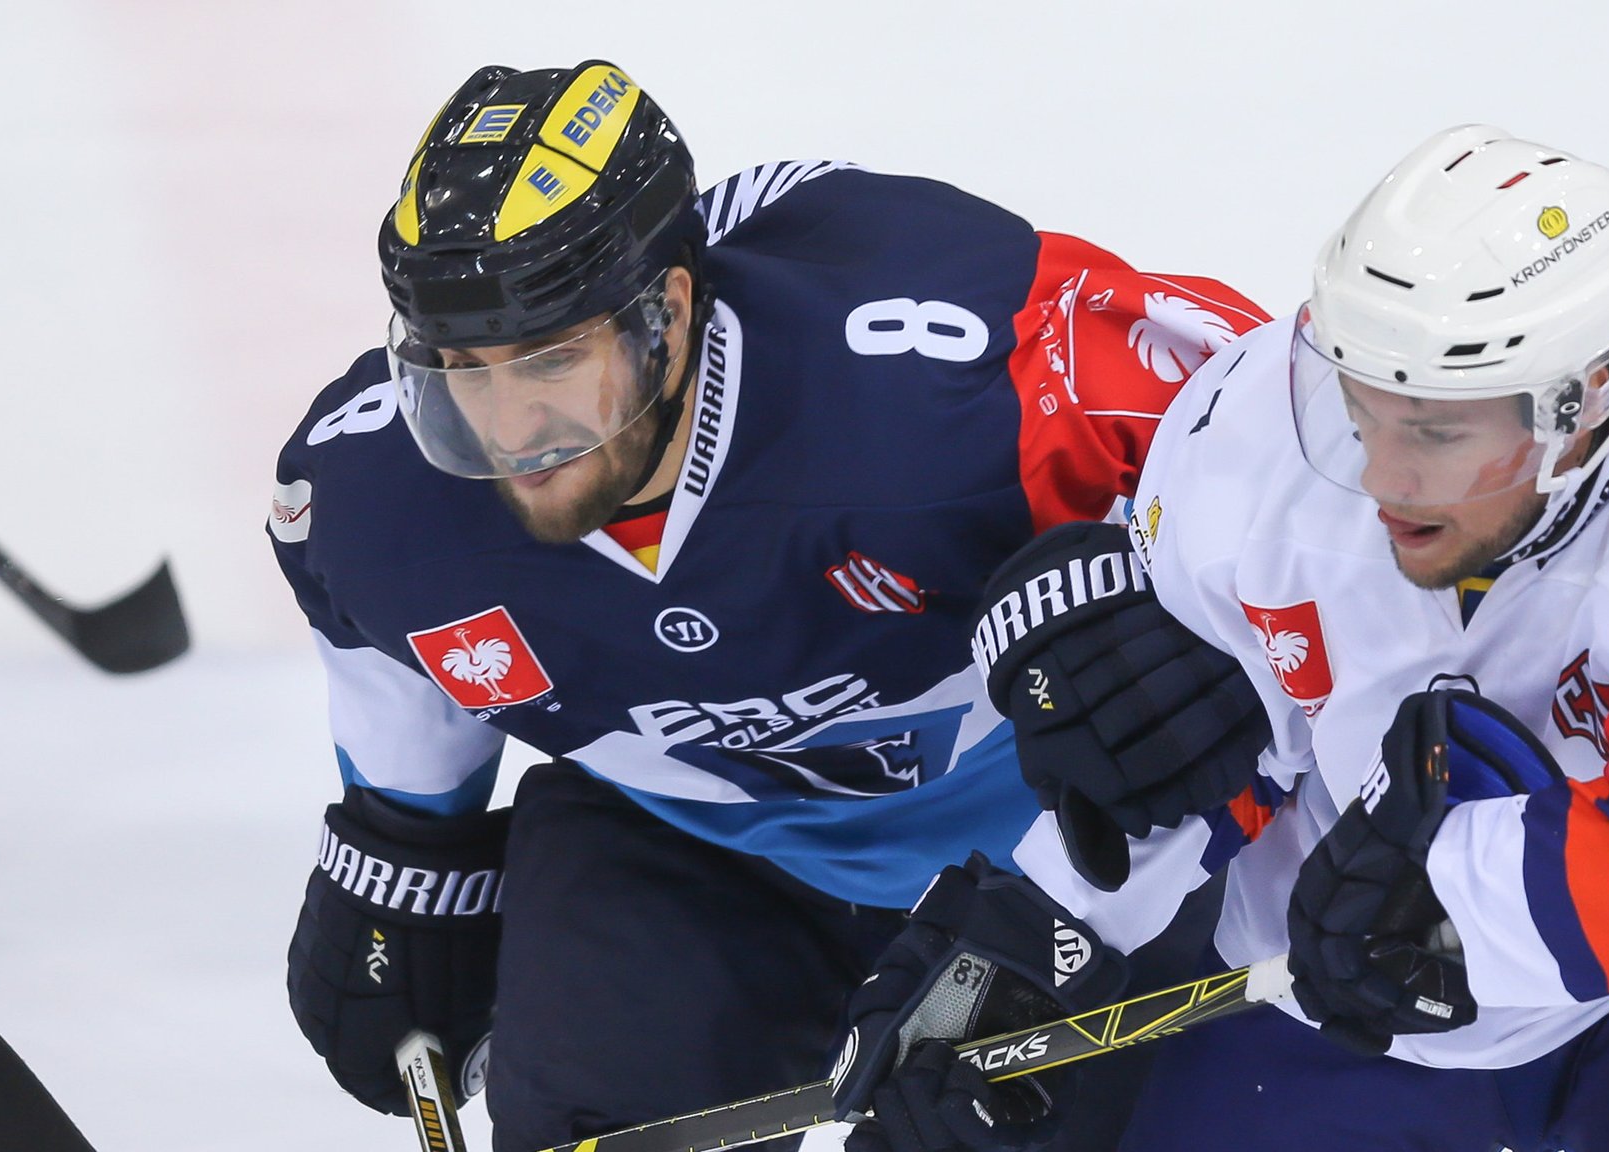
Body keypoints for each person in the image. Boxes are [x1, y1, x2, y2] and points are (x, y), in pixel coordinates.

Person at [834, 125, 1609, 1152]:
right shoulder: (1251, 450)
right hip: (1356, 995)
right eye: (1358, 408)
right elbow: (1198, 745)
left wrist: (1444, 898)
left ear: (1580, 398)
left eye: (1437, 433)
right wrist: (1036, 938)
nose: (1380, 476)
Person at [267, 59, 1270, 1151]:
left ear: (669, 311)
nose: (508, 426)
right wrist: (399, 854)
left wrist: (1201, 661)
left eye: (550, 361)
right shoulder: (375, 501)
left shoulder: (955, 380)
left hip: (1063, 864)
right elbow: (391, 654)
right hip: (705, 865)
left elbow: (1284, 430)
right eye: (462, 369)